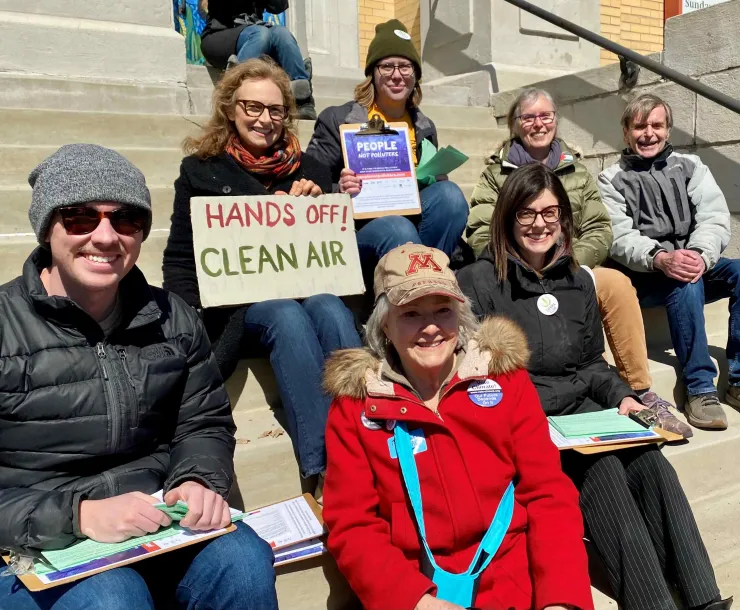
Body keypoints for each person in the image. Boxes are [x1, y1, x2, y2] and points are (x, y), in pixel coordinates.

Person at [0, 144, 278, 610]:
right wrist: (79, 516)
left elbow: (202, 423)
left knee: (244, 561)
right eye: (80, 218)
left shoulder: (174, 317)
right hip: (29, 540)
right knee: (112, 597)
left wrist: (197, 479)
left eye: (125, 219)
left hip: (152, 519)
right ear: (48, 230)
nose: (106, 236)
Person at [457, 163, 730, 610]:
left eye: (551, 213)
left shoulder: (577, 279)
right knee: (602, 473)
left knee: (651, 462)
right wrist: (568, 402)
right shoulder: (479, 283)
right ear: (507, 216)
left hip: (584, 415)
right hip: (528, 423)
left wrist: (622, 396)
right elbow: (483, 381)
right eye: (526, 213)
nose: (539, 224)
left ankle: (704, 598)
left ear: (565, 219)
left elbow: (590, 363)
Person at [322, 243, 594, 610]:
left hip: (514, 587)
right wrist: (415, 601)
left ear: (461, 314)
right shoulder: (356, 408)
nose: (431, 327)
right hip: (415, 593)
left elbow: (548, 494)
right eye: (411, 313)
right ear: (384, 323)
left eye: (443, 311)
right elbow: (352, 525)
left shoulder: (505, 382)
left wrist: (560, 599)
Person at [162, 58, 361, 491]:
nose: (264, 119)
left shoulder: (310, 168)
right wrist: (185, 321)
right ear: (230, 108)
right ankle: (326, 468)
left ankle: (370, 438)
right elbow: (179, 257)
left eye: (275, 110)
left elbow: (330, 250)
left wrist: (318, 200)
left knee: (329, 307)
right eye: (252, 107)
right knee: (284, 314)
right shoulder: (201, 169)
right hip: (240, 308)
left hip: (311, 297)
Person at [465, 87, 690, 437]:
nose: (538, 123)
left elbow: (600, 226)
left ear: (556, 120)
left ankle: (639, 389)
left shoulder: (577, 170)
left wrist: (569, 263)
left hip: (571, 266)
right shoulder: (496, 173)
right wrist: (519, 260)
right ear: (515, 124)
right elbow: (481, 228)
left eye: (546, 116)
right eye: (529, 117)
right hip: (515, 267)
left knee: (616, 283)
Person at [599, 93, 740, 430]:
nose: (649, 133)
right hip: (644, 276)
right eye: (639, 126)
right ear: (625, 133)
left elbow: (714, 217)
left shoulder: (691, 166)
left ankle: (737, 381)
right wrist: (660, 257)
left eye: (656, 125)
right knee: (683, 282)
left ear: (667, 129)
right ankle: (700, 388)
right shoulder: (610, 179)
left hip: (692, 261)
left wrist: (699, 255)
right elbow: (619, 237)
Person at [306, 20, 469, 282]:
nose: (396, 75)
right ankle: (418, 287)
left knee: (449, 195)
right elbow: (310, 186)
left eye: (405, 66)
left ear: (415, 75)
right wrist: (340, 190)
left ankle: (426, 283)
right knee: (397, 227)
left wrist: (435, 179)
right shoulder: (338, 119)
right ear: (372, 72)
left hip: (412, 224)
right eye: (387, 66)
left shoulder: (424, 127)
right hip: (361, 232)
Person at [200, 0, 316, 119]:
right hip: (219, 35)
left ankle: (302, 99)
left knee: (282, 34)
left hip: (256, 32)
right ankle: (232, 93)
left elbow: (278, 7)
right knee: (260, 34)